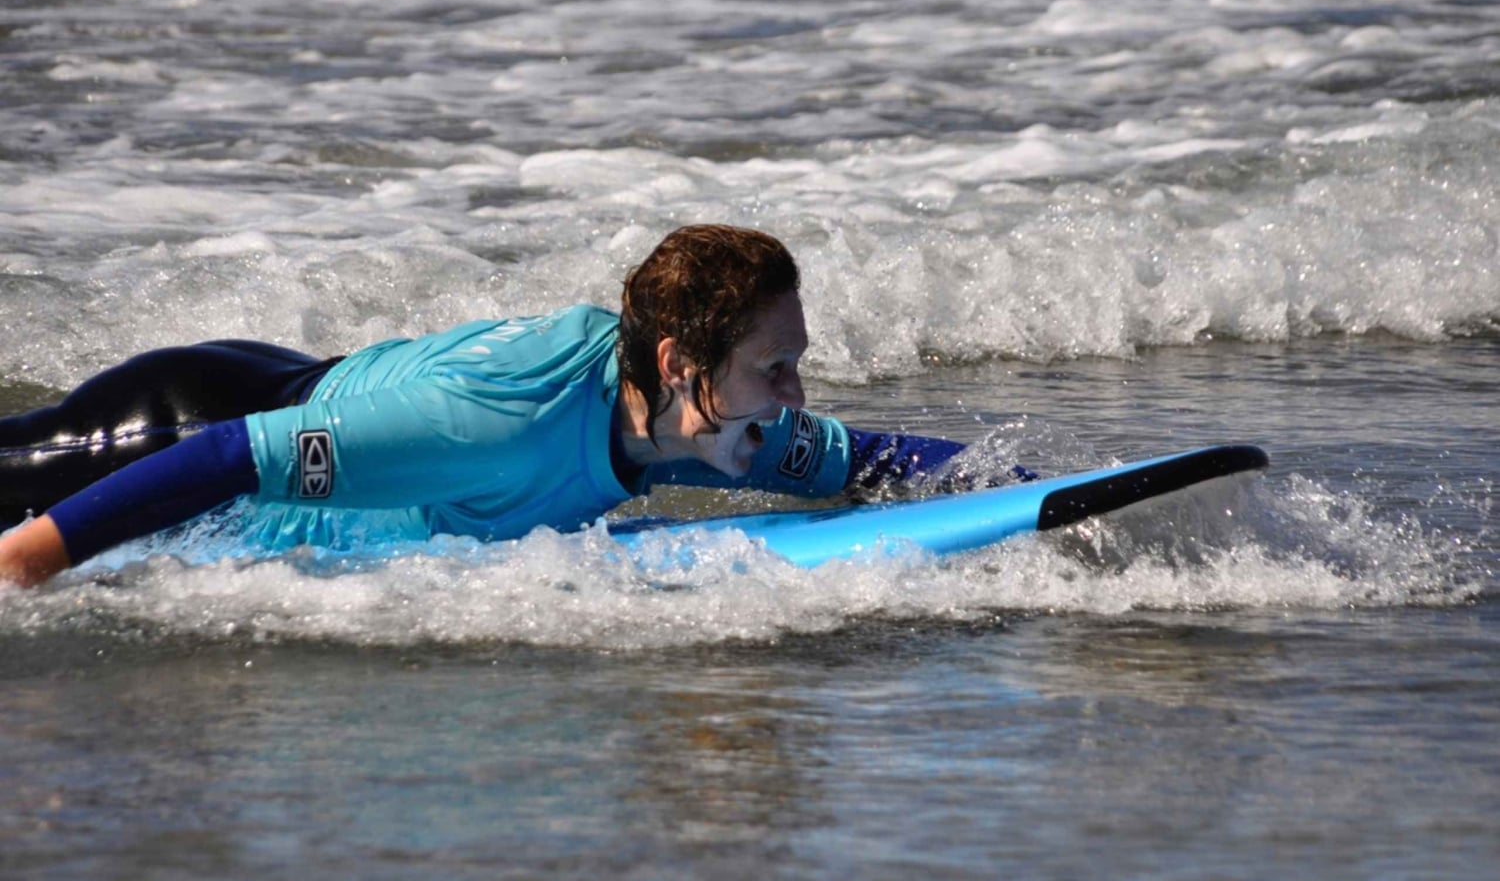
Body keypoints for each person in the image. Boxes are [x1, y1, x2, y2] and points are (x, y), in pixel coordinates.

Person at [1, 225, 1020, 588]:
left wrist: (1031, 492)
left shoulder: (711, 422)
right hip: (171, 423)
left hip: (301, 384)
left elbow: (874, 456)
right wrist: (32, 557)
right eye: (775, 369)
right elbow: (231, 453)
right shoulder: (491, 424)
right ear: (679, 361)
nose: (794, 398)